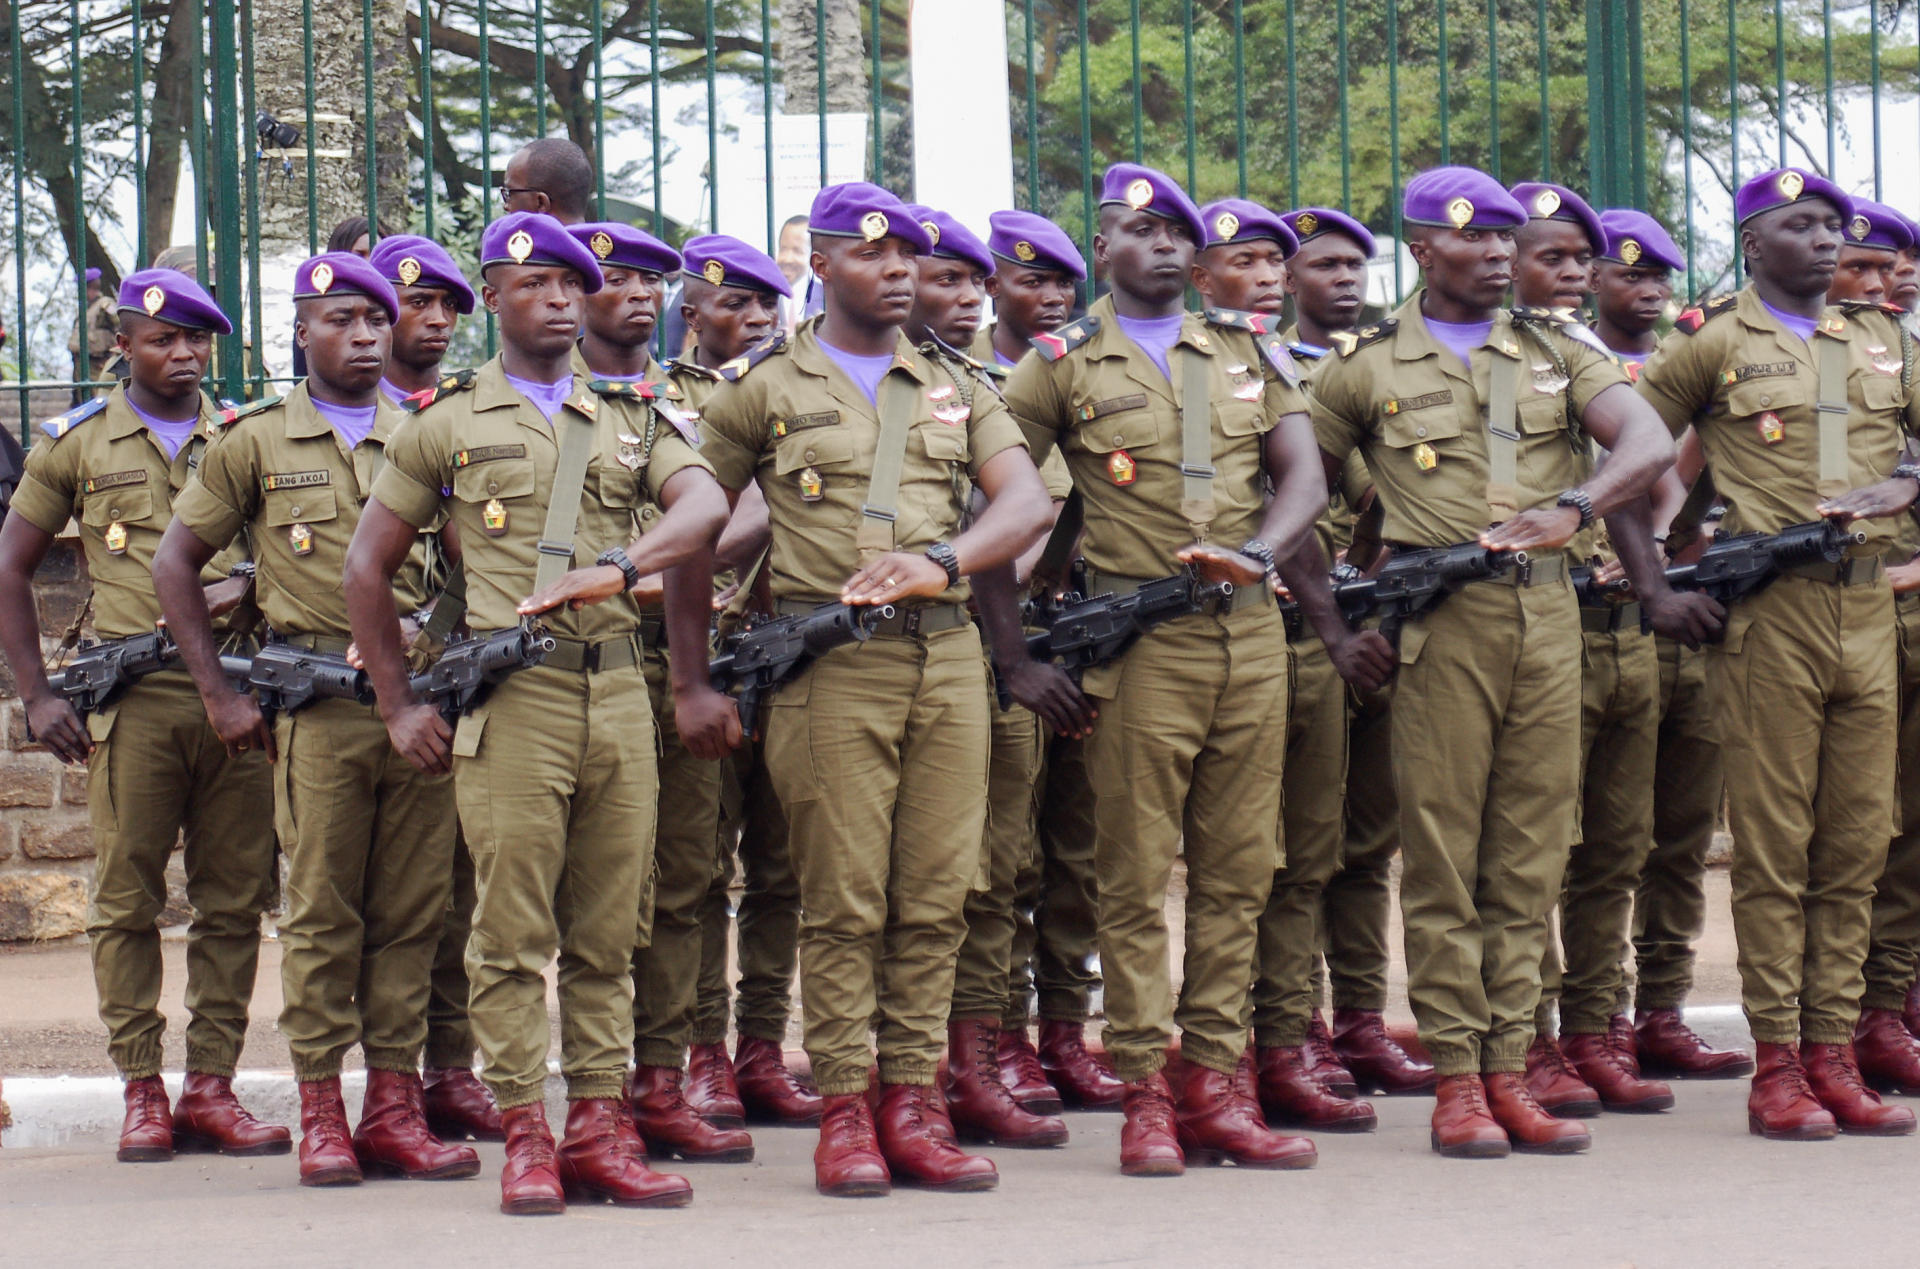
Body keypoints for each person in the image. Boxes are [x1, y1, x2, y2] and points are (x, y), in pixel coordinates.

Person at [1309, 166, 1698, 1159]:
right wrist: (1336, 628)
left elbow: (1648, 441)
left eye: (1500, 240)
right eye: (1470, 240)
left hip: (1549, 619)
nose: (1491, 254)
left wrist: (1576, 505)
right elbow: (1293, 496)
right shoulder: (1363, 366)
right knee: (1445, 857)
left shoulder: (1556, 352)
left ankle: (1509, 1066)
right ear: (1423, 248)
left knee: (1528, 858)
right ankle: (1456, 1080)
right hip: (1441, 627)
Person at [344, 212, 729, 1214]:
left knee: (611, 931)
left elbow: (703, 511)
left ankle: (599, 1127)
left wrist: (617, 566)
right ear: (497, 297)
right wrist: (396, 704)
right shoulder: (446, 420)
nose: (561, 297)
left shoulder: (632, 417)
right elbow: (367, 567)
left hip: (617, 696)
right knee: (512, 932)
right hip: (515, 705)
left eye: (573, 283)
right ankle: (526, 1133)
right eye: (536, 285)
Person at [994, 162, 1362, 1176]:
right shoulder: (1059, 365)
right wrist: (1014, 655)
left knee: (1242, 874)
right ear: (1102, 246)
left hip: (1247, 638)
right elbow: (999, 509)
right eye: (1137, 232)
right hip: (1141, 646)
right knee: (1132, 878)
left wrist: (1258, 552)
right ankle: (1148, 1095)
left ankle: (1215, 1089)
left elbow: (1305, 477)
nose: (1160, 247)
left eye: (1174, 235)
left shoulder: (1249, 350)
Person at [686, 181, 1053, 1197]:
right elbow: (694, 535)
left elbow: (1022, 502)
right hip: (831, 665)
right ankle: (846, 1111)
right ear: (823, 266)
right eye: (872, 256)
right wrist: (686, 679)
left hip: (945, 660)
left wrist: (945, 559)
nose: (897, 273)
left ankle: (913, 1104)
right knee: (845, 901)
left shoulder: (956, 382)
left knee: (939, 896)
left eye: (908, 259)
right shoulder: (760, 387)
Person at [153, 253, 478, 1188]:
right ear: (302, 331)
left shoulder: (428, 432)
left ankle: (394, 1109)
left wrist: (430, 628)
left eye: (378, 320)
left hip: (412, 714)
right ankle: (324, 1114)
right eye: (342, 319)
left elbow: (470, 558)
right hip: (321, 717)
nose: (367, 334)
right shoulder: (255, 441)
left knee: (413, 917)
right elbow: (177, 567)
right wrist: (218, 693)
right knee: (323, 915)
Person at [1636, 167, 1920, 1140]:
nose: (1829, 240)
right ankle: (1781, 1067)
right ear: (1754, 244)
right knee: (1775, 849)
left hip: (1867, 614)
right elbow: (1629, 468)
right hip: (1772, 621)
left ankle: (1837, 1055)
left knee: (1855, 844)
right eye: (1802, 225)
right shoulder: (1715, 341)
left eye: (1835, 226)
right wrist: (1657, 589)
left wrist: (1904, 482)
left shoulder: (1883, 340)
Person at [0, 270, 286, 1164]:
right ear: (121, 345)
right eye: (164, 340)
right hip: (136, 706)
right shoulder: (78, 445)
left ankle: (212, 1086)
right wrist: (38, 692)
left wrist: (247, 585)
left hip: (237, 697)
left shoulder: (243, 438)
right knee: (125, 901)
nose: (186, 355)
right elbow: (12, 566)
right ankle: (141, 1089)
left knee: (234, 899)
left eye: (199, 340)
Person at [562, 219, 758, 1166]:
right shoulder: (535, 398)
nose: (635, 294)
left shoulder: (702, 399)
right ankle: (579, 1085)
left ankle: (660, 1075)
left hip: (674, 653)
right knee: (591, 886)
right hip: (568, 662)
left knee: (684, 876)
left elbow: (753, 501)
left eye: (650, 280)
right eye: (614, 279)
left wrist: (675, 560)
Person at [1187, 197, 1376, 1134]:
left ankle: (1287, 1036)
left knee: (1302, 855)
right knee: (1222, 860)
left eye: (1277, 262)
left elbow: (1353, 496)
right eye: (1253, 262)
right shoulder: (1197, 366)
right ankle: (1209, 1054)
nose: (1269, 277)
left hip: (1314, 632)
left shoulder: (1318, 371)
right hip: (1233, 630)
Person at [893, 203, 1072, 1150]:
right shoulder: (801, 383)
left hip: (986, 657)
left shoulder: (985, 394)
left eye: (970, 281)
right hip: (906, 654)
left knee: (986, 874)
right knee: (874, 887)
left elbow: (1034, 527)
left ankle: (969, 1063)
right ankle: (890, 1075)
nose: (963, 298)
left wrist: (1017, 659)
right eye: (944, 279)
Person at [1505, 181, 1676, 1119]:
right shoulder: (1481, 362)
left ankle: (1594, 1026)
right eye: (1552, 258)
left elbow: (1664, 470)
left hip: (1621, 635)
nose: (1570, 275)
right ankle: (1528, 1036)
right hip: (1538, 624)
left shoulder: (1587, 361)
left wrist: (1646, 566)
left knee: (1616, 847)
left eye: (1581, 260)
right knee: (1535, 848)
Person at [1589, 208, 1755, 1080]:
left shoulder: (1698, 359)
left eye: (1660, 276)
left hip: (1692, 618)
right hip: (1600, 622)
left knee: (1683, 832)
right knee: (1602, 838)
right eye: (1629, 275)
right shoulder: (1565, 368)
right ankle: (1589, 1016)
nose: (1649, 290)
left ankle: (1661, 1007)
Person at [1277, 204, 1437, 1099]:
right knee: (1298, 845)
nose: (1344, 278)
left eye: (1355, 265)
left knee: (1370, 838)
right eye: (1323, 265)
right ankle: (1294, 1024)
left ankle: (1363, 1022)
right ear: (1289, 282)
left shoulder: (1376, 368)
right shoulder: (1257, 371)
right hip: (1289, 633)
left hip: (1373, 624)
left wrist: (1370, 554)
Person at [669, 235, 822, 1129]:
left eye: (770, 304)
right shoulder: (658, 403)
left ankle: (762, 1048)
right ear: (694, 315)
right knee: (693, 869)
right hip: (706, 657)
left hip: (793, 652)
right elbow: (704, 529)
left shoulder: (804, 393)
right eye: (737, 305)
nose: (759, 318)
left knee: (782, 869)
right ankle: (701, 1053)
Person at [977, 208, 1121, 1113]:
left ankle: (1067, 1030)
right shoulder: (979, 391)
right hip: (1002, 643)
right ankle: (1003, 1036)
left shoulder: (1086, 377)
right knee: (1004, 858)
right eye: (1032, 281)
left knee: (1081, 851)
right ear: (996, 284)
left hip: (1090, 635)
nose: (1052, 299)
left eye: (1064, 285)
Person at [362, 233, 504, 1141]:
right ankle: (383, 1085)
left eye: (449, 305)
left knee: (456, 895)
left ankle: (451, 1070)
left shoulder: (464, 416)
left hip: (457, 678)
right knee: (370, 903)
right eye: (414, 304)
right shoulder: (329, 415)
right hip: (358, 687)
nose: (432, 320)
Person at [1814, 199, 1920, 1095]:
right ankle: (1831, 1022)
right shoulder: (1811, 357)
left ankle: (1885, 1005)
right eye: (1868, 264)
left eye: (1894, 269)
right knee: (1853, 826)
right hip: (1840, 610)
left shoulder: (1900, 353)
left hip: (1902, 603)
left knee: (1907, 824)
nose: (1888, 281)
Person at [500, 138, 595, 225]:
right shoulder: (604, 241)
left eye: (509, 194)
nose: (506, 206)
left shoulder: (504, 241)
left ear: (541, 203)